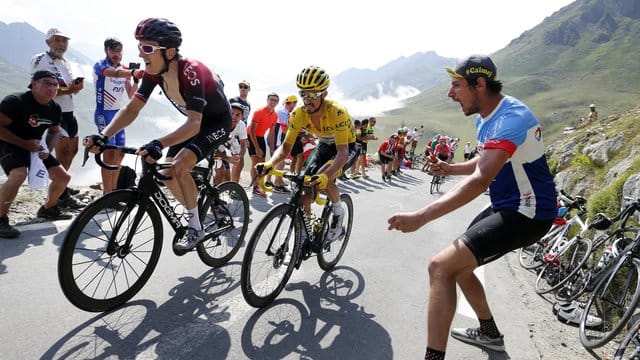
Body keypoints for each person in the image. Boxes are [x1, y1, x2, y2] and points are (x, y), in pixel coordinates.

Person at [387, 54, 556, 360]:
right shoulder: (485, 116)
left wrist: (421, 216)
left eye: (456, 85)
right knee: (460, 266)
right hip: (509, 205)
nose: (450, 93)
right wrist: (450, 169)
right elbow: (488, 159)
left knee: (440, 266)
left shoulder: (511, 118)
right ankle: (490, 334)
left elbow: (481, 179)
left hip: (528, 212)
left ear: (479, 84)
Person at [84, 18, 231, 251]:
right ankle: (200, 210)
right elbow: (132, 108)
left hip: (216, 122)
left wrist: (158, 143)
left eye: (148, 48)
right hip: (193, 122)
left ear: (170, 51)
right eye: (140, 47)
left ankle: (196, 227)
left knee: (180, 165)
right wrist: (104, 135)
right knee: (166, 172)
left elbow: (194, 123)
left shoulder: (192, 71)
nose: (142, 54)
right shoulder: (153, 73)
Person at [257, 65, 357, 242]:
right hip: (324, 145)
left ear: (324, 94)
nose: (307, 99)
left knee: (325, 178)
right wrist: (269, 164)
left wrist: (325, 176)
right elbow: (285, 148)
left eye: (313, 94)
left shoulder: (337, 112)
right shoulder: (299, 114)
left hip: (345, 148)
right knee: (305, 191)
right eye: (303, 93)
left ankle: (338, 217)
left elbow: (342, 153)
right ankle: (306, 230)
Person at [0, 70, 77, 238]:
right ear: (33, 84)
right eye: (46, 83)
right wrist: (24, 144)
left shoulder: (54, 107)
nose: (51, 88)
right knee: (19, 174)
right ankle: (1, 218)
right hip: (9, 143)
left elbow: (54, 131)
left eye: (55, 85)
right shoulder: (16, 101)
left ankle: (48, 209)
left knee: (63, 178)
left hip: (35, 146)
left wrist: (47, 150)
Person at [30, 28, 84, 209]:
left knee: (73, 150)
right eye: (57, 40)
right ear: (48, 42)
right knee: (64, 151)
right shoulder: (40, 60)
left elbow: (66, 86)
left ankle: (62, 186)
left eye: (64, 41)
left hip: (70, 111)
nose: (61, 44)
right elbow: (37, 87)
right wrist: (70, 90)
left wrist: (75, 86)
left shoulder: (65, 62)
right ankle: (60, 194)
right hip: (55, 112)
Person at [93, 37, 140, 194]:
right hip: (103, 113)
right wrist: (132, 71)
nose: (116, 54)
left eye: (119, 51)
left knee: (119, 154)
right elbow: (113, 73)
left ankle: (114, 192)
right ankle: (107, 194)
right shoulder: (101, 65)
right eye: (113, 50)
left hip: (118, 115)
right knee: (109, 154)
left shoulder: (125, 69)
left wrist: (135, 80)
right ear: (106, 50)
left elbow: (131, 93)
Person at [247, 92, 279, 197]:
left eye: (275, 100)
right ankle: (255, 187)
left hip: (261, 138)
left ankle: (259, 185)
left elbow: (271, 133)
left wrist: (273, 149)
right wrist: (256, 148)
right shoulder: (259, 111)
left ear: (277, 102)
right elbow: (252, 130)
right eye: (271, 99)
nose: (273, 102)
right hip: (251, 136)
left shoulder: (275, 115)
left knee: (263, 164)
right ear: (267, 100)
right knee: (255, 162)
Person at [270, 94, 298, 192]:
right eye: (295, 104)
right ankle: (277, 182)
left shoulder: (283, 111)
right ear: (293, 103)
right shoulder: (283, 112)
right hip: (278, 138)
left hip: (278, 137)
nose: (295, 107)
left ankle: (278, 180)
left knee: (279, 158)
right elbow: (284, 128)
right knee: (280, 158)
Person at [228, 80, 251, 184]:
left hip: (240, 132)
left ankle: (234, 185)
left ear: (249, 90)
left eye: (245, 87)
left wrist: (246, 138)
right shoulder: (233, 100)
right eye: (240, 86)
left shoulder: (248, 104)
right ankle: (229, 185)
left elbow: (245, 121)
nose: (242, 88)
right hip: (229, 132)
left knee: (239, 161)